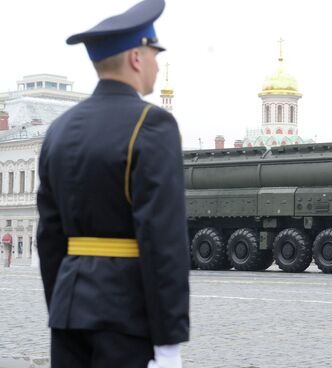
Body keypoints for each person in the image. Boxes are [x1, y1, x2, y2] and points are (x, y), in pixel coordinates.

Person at [36, 1, 189, 367]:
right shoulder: (153, 124)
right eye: (154, 53)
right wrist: (169, 342)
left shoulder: (59, 129)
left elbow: (50, 236)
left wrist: (63, 305)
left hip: (69, 311)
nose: (156, 63)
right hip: (126, 317)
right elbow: (163, 238)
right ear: (136, 57)